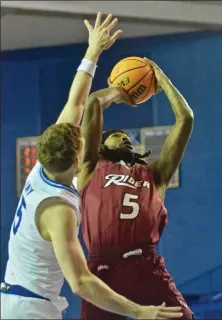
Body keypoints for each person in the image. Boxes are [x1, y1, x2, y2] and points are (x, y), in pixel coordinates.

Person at [0, 13, 183, 320]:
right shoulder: (59, 210)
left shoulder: (42, 169)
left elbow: (77, 103)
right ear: (77, 159)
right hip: (31, 310)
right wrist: (138, 312)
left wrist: (94, 53)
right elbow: (80, 282)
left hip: (17, 299)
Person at [78, 58, 195, 320]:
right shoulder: (89, 168)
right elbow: (94, 102)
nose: (125, 138)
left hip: (145, 266)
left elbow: (185, 119)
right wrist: (122, 91)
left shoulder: (154, 174)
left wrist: (160, 80)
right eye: (117, 136)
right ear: (102, 146)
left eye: (128, 138)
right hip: (101, 269)